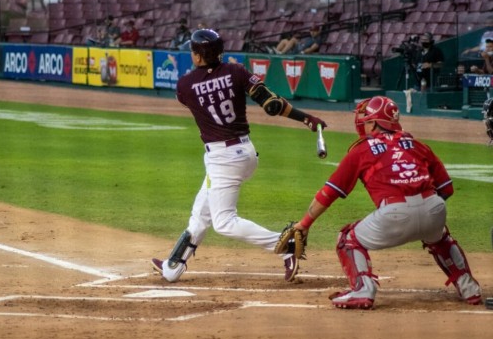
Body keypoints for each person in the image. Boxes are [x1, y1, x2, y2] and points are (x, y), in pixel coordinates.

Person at [151, 29, 327, 283]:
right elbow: (272, 104)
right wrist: (306, 118)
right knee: (201, 212)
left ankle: (285, 246)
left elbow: (200, 94)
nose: (192, 55)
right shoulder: (237, 71)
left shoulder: (185, 85)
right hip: (243, 152)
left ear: (200, 56)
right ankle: (173, 266)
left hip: (223, 159)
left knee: (223, 222)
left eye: (194, 52)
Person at [285, 96, 481, 309]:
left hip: (394, 214)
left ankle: (363, 289)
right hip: (434, 207)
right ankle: (469, 287)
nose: (363, 123)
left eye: (367, 119)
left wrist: (303, 224)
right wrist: (423, 212)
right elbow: (447, 189)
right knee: (440, 237)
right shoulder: (417, 144)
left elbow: (329, 193)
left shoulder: (361, 150)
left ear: (376, 123)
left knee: (347, 238)